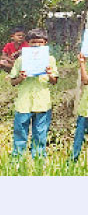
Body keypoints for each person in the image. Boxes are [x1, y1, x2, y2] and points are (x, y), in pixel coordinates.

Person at [8, 29, 58, 159]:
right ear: (28, 43)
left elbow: (54, 81)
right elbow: (13, 82)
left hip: (42, 103)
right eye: (33, 42)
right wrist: (21, 77)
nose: (36, 45)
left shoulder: (50, 59)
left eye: (40, 42)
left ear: (45, 43)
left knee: (40, 134)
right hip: (24, 103)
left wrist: (49, 73)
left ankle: (39, 161)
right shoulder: (21, 60)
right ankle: (17, 161)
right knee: (20, 133)